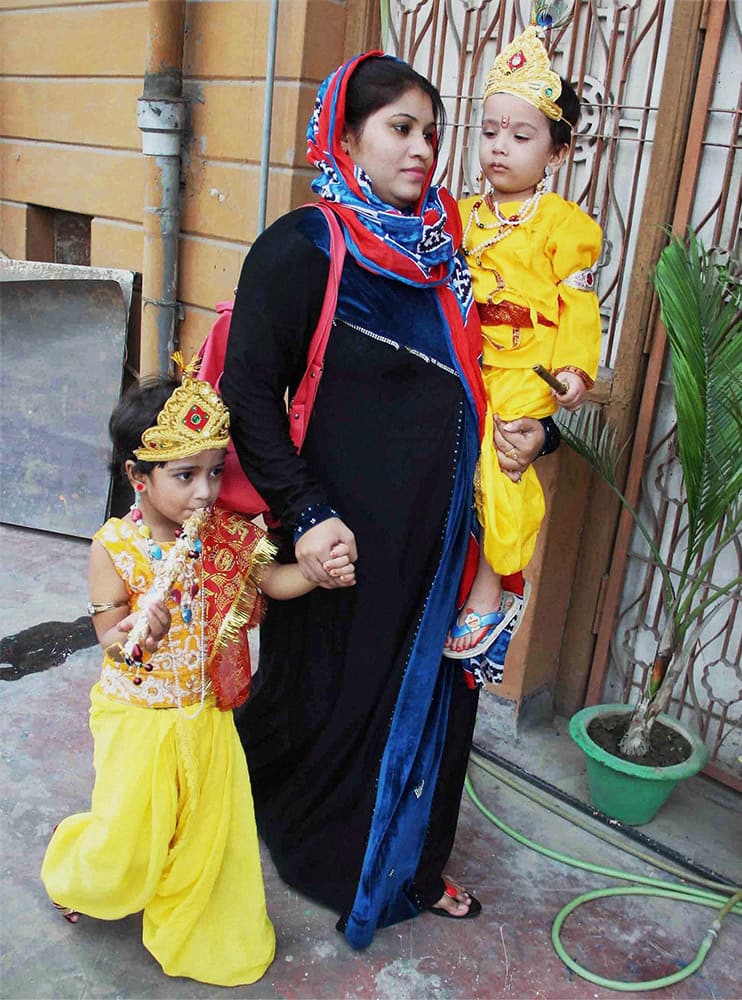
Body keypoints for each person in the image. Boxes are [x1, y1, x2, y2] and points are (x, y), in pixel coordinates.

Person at [220, 51, 551, 949]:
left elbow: (514, 371)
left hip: (444, 542)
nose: (424, 149)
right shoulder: (305, 247)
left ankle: (408, 861)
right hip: (340, 543)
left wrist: (541, 430)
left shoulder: (453, 253)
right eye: (401, 127)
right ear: (348, 133)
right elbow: (249, 394)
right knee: (329, 693)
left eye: (433, 133)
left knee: (437, 707)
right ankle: (321, 852)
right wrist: (305, 513)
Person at [40, 367, 355, 986]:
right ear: (139, 478)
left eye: (215, 471)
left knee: (209, 836)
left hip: (208, 716)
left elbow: (272, 582)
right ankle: (84, 878)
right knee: (129, 836)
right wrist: (137, 633)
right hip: (139, 720)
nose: (206, 490)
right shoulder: (114, 548)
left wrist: (314, 574)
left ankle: (197, 926)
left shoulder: (224, 539)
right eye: (185, 476)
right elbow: (110, 636)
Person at [445, 24, 602, 681]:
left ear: (558, 151)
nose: (500, 147)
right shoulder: (459, 214)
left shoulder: (566, 229)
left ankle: (495, 584)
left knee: (500, 462)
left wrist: (572, 370)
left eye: (521, 134)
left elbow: (579, 309)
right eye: (490, 131)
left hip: (522, 370)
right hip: (464, 358)